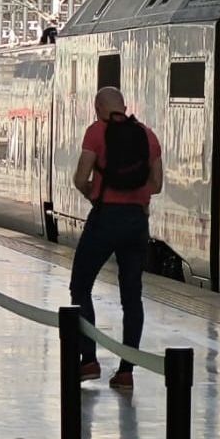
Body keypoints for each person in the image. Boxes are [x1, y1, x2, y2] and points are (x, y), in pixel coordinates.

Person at [69, 86, 163, 390]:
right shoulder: (147, 135)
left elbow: (80, 178)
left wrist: (95, 196)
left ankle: (89, 360)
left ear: (98, 107)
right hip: (137, 222)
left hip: (106, 218)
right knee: (131, 297)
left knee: (81, 285)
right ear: (124, 106)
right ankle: (125, 372)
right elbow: (157, 184)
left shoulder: (96, 132)